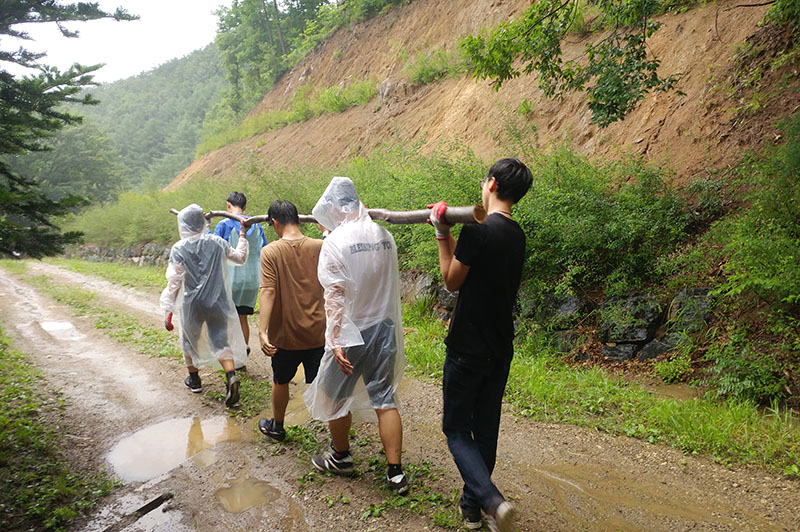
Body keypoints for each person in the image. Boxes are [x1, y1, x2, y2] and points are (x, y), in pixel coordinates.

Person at [427, 158, 532, 532]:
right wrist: (449, 231)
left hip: (467, 346)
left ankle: (491, 500)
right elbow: (469, 266)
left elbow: (452, 280)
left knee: (456, 429)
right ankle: (473, 511)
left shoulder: (477, 228)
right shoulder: (516, 235)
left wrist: (441, 233)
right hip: (500, 345)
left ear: (490, 184)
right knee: (485, 430)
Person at [303, 177, 408, 494]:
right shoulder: (383, 234)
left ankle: (341, 457)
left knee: (334, 396)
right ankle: (395, 472)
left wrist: (334, 339)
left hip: (350, 331)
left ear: (334, 206)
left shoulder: (334, 242)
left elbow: (334, 295)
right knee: (385, 399)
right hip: (384, 327)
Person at [160, 203, 249, 408]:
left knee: (188, 340)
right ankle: (230, 376)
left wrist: (168, 309)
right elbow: (240, 258)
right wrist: (242, 234)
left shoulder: (179, 248)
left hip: (192, 303)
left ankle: (194, 380)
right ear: (202, 222)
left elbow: (174, 281)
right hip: (218, 301)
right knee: (221, 340)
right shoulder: (217, 242)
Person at [257, 200, 326, 442]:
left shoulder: (270, 252)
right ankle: (336, 437)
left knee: (281, 380)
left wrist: (262, 331)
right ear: (297, 219)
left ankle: (277, 426)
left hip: (285, 336)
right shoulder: (320, 246)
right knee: (323, 385)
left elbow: (267, 291)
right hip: (318, 331)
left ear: (275, 222)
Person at [213, 191, 268, 361]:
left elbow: (214, 250)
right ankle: (242, 352)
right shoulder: (256, 225)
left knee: (228, 319)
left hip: (230, 278)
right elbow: (265, 248)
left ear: (228, 205)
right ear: (244, 207)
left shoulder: (223, 224)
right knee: (242, 317)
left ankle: (232, 356)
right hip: (252, 279)